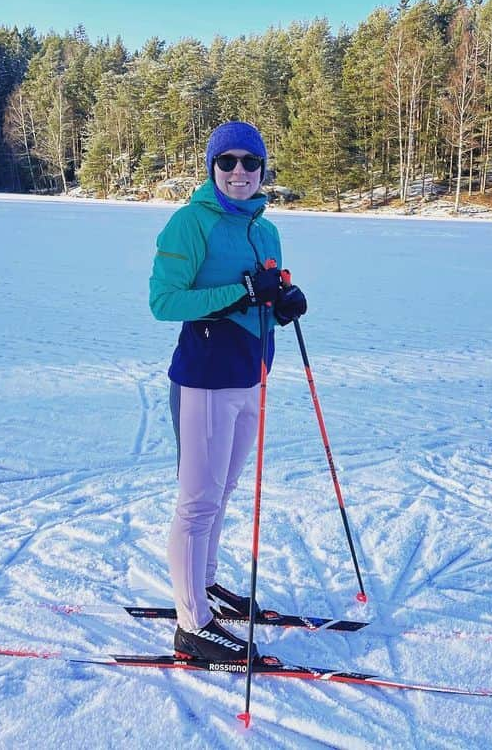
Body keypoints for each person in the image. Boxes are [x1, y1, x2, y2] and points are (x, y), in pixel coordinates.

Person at [148, 121, 307, 662]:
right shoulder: (189, 224)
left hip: (251, 375)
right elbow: (165, 302)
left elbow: (267, 288)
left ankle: (206, 587)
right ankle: (192, 626)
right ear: (212, 167)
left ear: (263, 168)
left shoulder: (266, 228)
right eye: (227, 161)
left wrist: (282, 303)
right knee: (196, 503)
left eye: (250, 162)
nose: (239, 171)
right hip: (205, 376)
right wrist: (241, 292)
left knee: (223, 492)